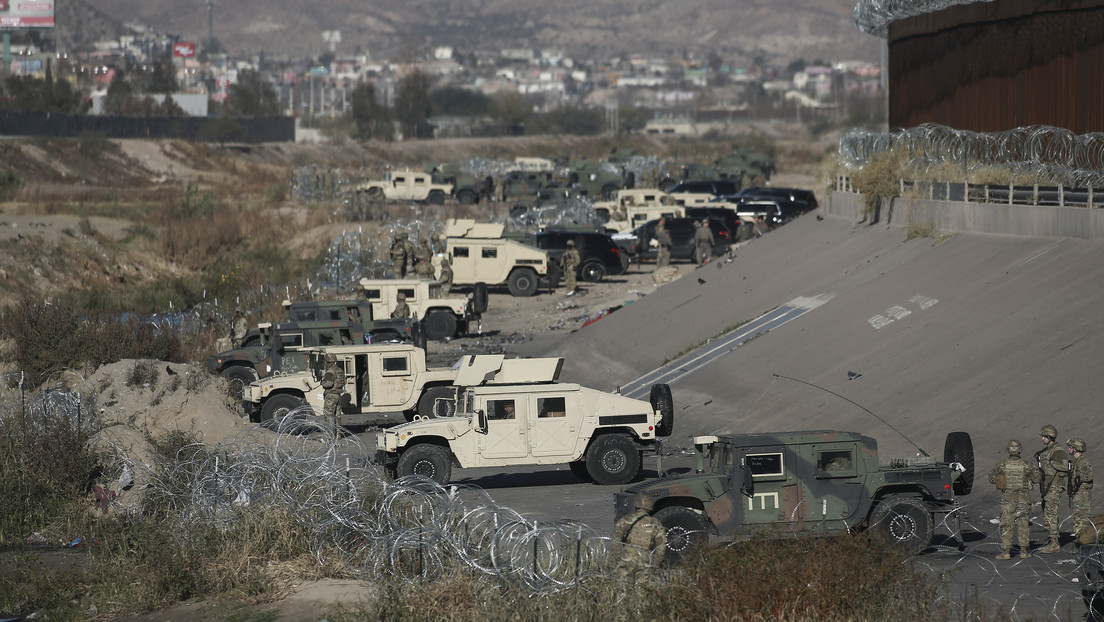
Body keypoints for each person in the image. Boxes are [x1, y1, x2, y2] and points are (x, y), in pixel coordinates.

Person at [988, 439, 1040, 559]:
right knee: (1023, 525)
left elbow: (991, 478)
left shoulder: (1002, 465)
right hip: (1024, 499)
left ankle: (1006, 552)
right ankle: (1024, 551)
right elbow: (1037, 479)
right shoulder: (1027, 464)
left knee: (1007, 525)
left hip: (1008, 499)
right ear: (1020, 450)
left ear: (1008, 450)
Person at [1036, 424, 1070, 553]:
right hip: (1048, 487)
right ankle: (1052, 540)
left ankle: (1054, 543)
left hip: (1054, 486)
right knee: (1048, 514)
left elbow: (1065, 466)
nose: (1043, 439)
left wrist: (1050, 464)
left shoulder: (1057, 450)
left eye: (1045, 436)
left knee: (1051, 514)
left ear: (1050, 436)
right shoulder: (1047, 450)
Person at [612, 508, 667, 580]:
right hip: (646, 560)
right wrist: (655, 564)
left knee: (624, 587)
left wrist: (618, 560)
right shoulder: (655, 523)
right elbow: (661, 548)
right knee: (643, 588)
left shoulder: (625, 520)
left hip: (628, 558)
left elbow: (615, 542)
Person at [1068, 438, 1094, 544]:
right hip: (1078, 493)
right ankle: (1080, 540)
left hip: (1082, 493)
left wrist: (1079, 480)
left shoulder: (1083, 462)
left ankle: (1083, 542)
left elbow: (1088, 477)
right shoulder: (1076, 462)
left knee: (1082, 519)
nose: (1069, 449)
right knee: (1078, 518)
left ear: (1076, 449)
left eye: (1071, 447)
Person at [320, 352, 346, 430]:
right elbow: (344, 381)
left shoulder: (330, 371)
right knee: (337, 415)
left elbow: (328, 384)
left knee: (329, 415)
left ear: (327, 361)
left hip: (331, 395)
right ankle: (338, 433)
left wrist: (322, 382)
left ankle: (331, 434)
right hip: (338, 394)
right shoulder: (339, 370)